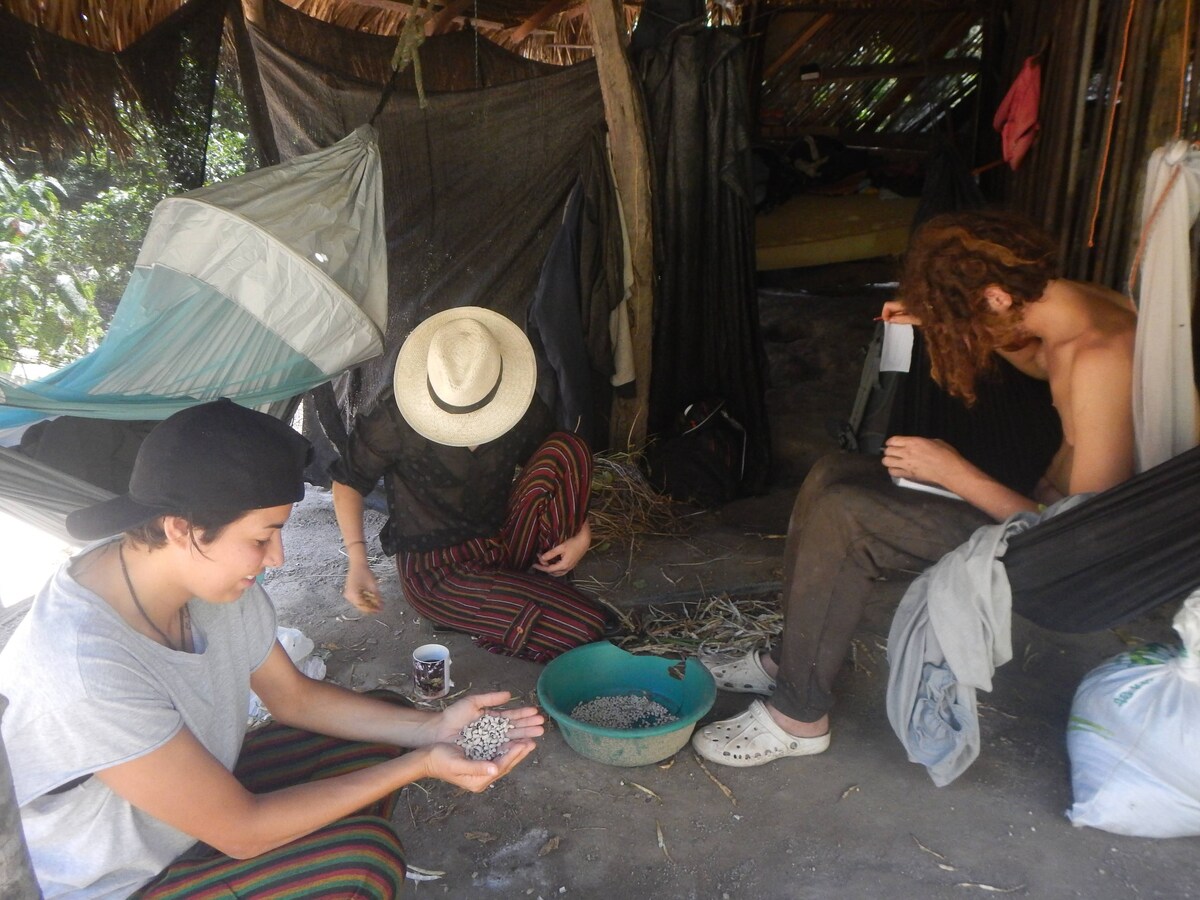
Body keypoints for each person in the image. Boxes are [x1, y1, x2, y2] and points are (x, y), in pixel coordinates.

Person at [0, 399, 542, 898]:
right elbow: (241, 831)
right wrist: (423, 764)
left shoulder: (201, 580)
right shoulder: (84, 665)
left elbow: (294, 699)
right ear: (182, 530)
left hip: (201, 801)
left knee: (392, 720)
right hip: (125, 880)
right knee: (362, 861)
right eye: (262, 538)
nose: (277, 557)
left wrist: (434, 728)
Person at [693, 209, 1137, 767]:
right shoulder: (1065, 308)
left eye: (966, 319)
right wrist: (939, 317)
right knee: (833, 471)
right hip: (1035, 513)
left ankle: (798, 716)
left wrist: (955, 473)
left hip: (1052, 550)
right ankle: (791, 659)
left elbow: (1082, 534)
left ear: (996, 298)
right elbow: (1033, 356)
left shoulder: (1100, 358)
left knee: (847, 515)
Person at [331, 307, 609, 663]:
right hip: (439, 572)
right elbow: (347, 481)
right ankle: (510, 604)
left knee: (569, 449)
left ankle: (545, 578)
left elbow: (555, 467)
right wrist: (357, 561)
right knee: (588, 628)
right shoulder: (395, 418)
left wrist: (582, 534)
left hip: (501, 540)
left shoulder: (517, 403)